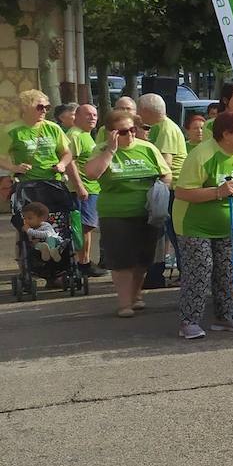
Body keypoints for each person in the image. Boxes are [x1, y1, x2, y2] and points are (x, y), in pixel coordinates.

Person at [81, 108, 172, 317]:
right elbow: (92, 174)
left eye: (132, 130)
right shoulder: (101, 149)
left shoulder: (147, 148)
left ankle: (136, 294)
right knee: (122, 260)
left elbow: (166, 174)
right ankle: (124, 303)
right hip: (116, 213)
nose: (130, 135)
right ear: (111, 133)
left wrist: (160, 191)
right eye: (123, 132)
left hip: (147, 212)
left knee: (143, 258)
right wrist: (111, 151)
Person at [174, 110, 233, 339]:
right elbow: (182, 192)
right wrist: (216, 192)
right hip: (194, 225)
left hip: (226, 226)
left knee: (227, 270)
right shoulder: (202, 155)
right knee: (200, 270)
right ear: (226, 134)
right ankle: (189, 321)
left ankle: (225, 316)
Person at [138, 94, 188, 289]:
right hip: (171, 188)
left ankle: (185, 274)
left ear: (147, 111)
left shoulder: (166, 129)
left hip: (172, 189)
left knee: (174, 235)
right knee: (171, 234)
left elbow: (165, 163)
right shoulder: (163, 127)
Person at [2, 90, 84, 199]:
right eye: (40, 107)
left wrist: (62, 164)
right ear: (25, 107)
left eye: (47, 107)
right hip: (27, 185)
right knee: (31, 215)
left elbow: (67, 153)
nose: (44, 111)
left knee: (56, 215)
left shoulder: (53, 127)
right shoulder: (11, 130)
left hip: (53, 182)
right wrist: (14, 168)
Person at [66, 102, 102, 276]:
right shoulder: (74, 135)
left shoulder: (86, 135)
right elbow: (69, 161)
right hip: (82, 190)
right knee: (83, 227)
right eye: (88, 114)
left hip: (92, 188)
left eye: (95, 115)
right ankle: (83, 263)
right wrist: (79, 186)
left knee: (87, 227)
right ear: (77, 117)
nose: (92, 118)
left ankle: (85, 260)